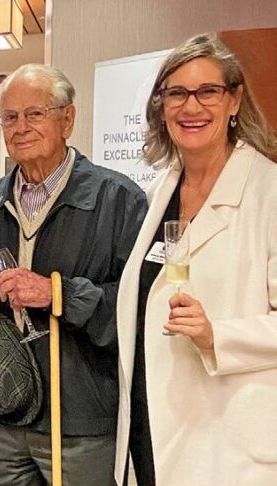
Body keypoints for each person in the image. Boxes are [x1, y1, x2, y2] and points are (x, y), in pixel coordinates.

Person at [0, 63, 147, 485]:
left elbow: (140, 304)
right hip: (2, 409)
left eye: (35, 113)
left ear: (67, 119)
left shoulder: (118, 200)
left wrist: (58, 294)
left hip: (81, 418)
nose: (21, 127)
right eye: (10, 117)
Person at [115, 33, 277, 485]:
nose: (191, 107)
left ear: (234, 100)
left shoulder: (270, 191)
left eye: (208, 91)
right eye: (177, 93)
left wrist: (216, 336)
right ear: (161, 106)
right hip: (153, 426)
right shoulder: (159, 191)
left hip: (229, 439)